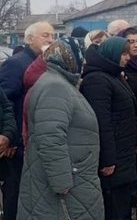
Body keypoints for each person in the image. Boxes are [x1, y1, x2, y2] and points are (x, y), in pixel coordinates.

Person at [19, 39, 103, 220]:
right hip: (68, 185)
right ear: (70, 57)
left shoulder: (60, 83)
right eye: (83, 56)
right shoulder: (55, 86)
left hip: (76, 177)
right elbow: (50, 137)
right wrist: (62, 182)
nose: (85, 62)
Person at [80, 37, 137, 220]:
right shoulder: (97, 80)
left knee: (123, 204)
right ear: (112, 53)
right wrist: (107, 159)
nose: (128, 57)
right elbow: (101, 123)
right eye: (123, 53)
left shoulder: (114, 75)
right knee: (114, 207)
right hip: (114, 157)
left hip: (123, 152)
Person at [0, 21, 54, 220]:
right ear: (29, 39)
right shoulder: (17, 64)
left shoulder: (47, 64)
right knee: (16, 195)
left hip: (36, 141)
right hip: (17, 146)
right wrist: (10, 137)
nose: (50, 39)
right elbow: (4, 102)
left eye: (52, 36)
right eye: (45, 35)